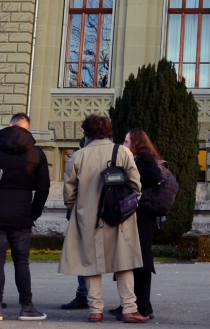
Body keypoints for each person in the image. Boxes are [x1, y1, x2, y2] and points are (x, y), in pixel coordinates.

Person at [58, 114, 145, 323]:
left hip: (87, 216)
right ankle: (129, 309)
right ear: (109, 130)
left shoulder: (77, 156)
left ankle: (95, 309)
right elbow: (136, 185)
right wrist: (130, 205)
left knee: (90, 262)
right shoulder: (122, 151)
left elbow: (69, 192)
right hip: (119, 215)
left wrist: (76, 207)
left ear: (86, 132)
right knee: (123, 262)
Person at [0, 112, 49, 322]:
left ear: (10, 125)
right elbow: (43, 189)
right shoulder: (37, 154)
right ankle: (27, 307)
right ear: (27, 129)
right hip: (21, 214)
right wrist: (33, 213)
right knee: (22, 261)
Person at [113, 130, 162, 320]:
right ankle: (132, 303)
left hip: (143, 214)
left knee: (140, 259)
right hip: (137, 212)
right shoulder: (138, 158)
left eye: (126, 140)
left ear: (136, 142)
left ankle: (141, 306)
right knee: (131, 258)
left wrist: (131, 183)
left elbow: (153, 177)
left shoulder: (145, 158)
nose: (123, 144)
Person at [59, 135, 93, 311]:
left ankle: (84, 295)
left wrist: (71, 208)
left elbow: (70, 189)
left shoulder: (79, 159)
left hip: (81, 214)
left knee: (83, 255)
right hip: (96, 213)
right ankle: (87, 295)